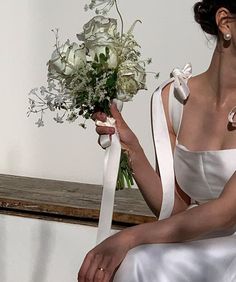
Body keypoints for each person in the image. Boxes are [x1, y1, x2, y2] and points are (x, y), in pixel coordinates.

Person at [78, 0, 236, 281]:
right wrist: (130, 148)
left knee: (138, 256)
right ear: (226, 23)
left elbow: (225, 212)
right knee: (138, 263)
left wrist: (128, 237)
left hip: (227, 253)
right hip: (198, 242)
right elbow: (174, 207)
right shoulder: (174, 100)